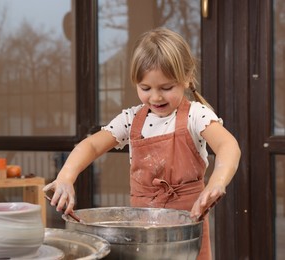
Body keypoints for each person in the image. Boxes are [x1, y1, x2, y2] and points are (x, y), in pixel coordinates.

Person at [43, 27, 241, 259]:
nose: (155, 97)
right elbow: (91, 146)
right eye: (145, 88)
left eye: (166, 88)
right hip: (141, 234)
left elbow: (229, 146)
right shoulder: (131, 119)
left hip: (186, 234)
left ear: (186, 79)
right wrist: (66, 177)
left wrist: (216, 183)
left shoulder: (195, 115)